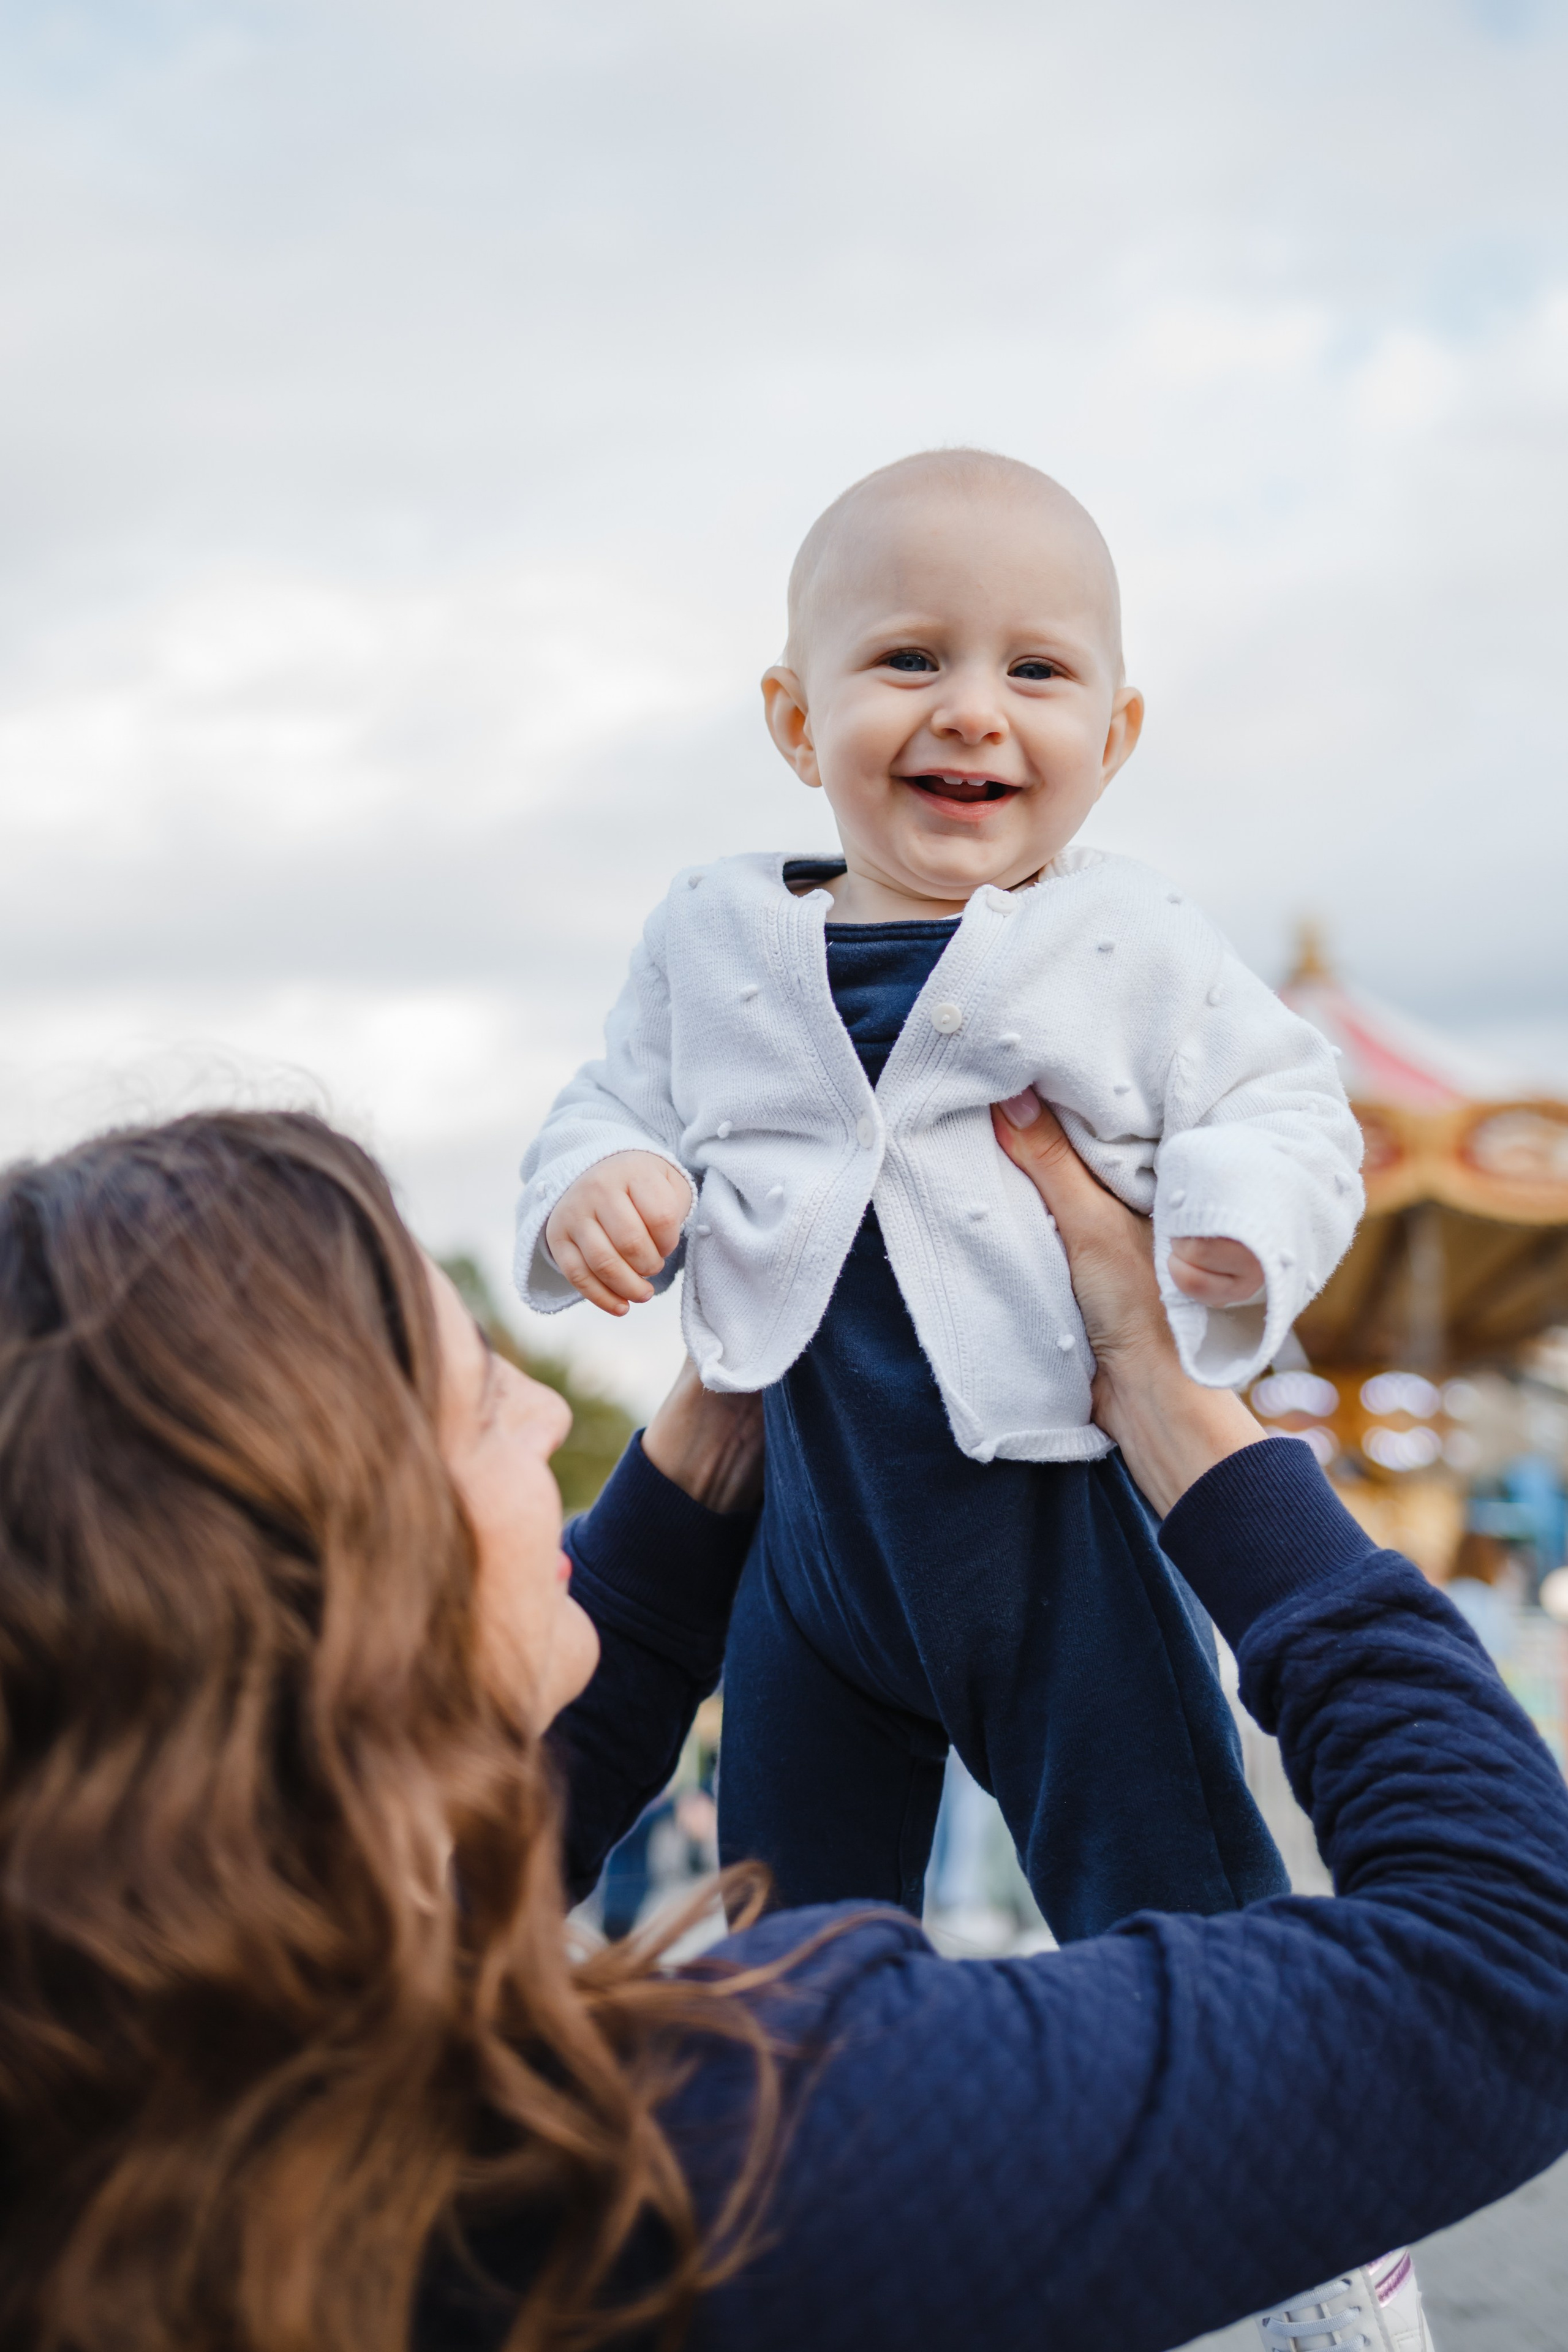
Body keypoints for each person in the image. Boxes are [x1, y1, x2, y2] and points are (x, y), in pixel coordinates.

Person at [3, 1106, 1567, 2352]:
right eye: (480, 1398)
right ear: (347, 1572)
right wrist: (1191, 1427)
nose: (546, 1415)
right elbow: (1512, 1952)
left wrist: (712, 1432)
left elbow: (469, 1828)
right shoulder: (724, 2158)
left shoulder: (114, 2084)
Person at [518, 446, 1363, 1946]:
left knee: (1169, 1892)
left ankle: (1203, 2084)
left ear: (1112, 735)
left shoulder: (1128, 941)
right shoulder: (712, 938)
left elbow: (1281, 1101)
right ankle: (819, 2089)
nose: (971, 708)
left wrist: (1229, 1212)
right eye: (909, 658)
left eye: (1034, 671)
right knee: (792, 1932)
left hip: (1056, 1531)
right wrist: (603, 1177)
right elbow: (614, 1097)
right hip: (806, 1544)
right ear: (796, 720)